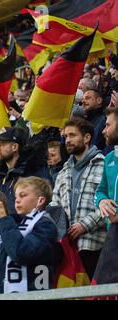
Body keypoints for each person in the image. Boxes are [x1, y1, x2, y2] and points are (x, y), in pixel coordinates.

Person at [50, 119, 106, 279]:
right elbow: (54, 208)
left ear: (87, 138)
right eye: (66, 136)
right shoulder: (62, 173)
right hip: (67, 250)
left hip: (96, 246)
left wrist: (85, 224)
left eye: (72, 135)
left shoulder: (103, 165)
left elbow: (111, 201)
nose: (67, 140)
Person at [0, 127, 50, 215]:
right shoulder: (0, 175)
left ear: (15, 147)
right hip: (2, 226)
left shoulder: (32, 170)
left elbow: (43, 199)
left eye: (1, 145)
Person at [96, 107, 118, 226]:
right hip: (112, 234)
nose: (103, 131)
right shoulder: (109, 158)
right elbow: (101, 190)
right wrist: (102, 201)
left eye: (108, 125)